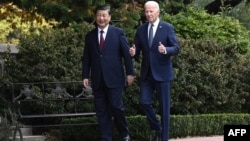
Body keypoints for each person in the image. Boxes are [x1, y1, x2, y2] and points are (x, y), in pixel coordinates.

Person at [82, 4, 134, 141]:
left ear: (109, 17)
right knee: (101, 111)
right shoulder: (90, 36)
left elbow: (126, 55)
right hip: (98, 79)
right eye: (99, 15)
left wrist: (130, 73)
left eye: (104, 15)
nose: (101, 18)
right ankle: (106, 138)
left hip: (115, 78)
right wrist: (85, 75)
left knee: (117, 107)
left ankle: (124, 134)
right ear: (95, 17)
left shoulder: (118, 33)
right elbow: (86, 57)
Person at [129, 1, 179, 141]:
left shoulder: (167, 28)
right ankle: (157, 127)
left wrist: (165, 50)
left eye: (151, 11)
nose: (149, 14)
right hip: (147, 74)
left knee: (164, 109)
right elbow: (137, 50)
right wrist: (133, 52)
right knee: (144, 102)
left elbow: (176, 48)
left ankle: (163, 138)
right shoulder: (141, 30)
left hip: (163, 74)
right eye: (146, 11)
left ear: (158, 12)